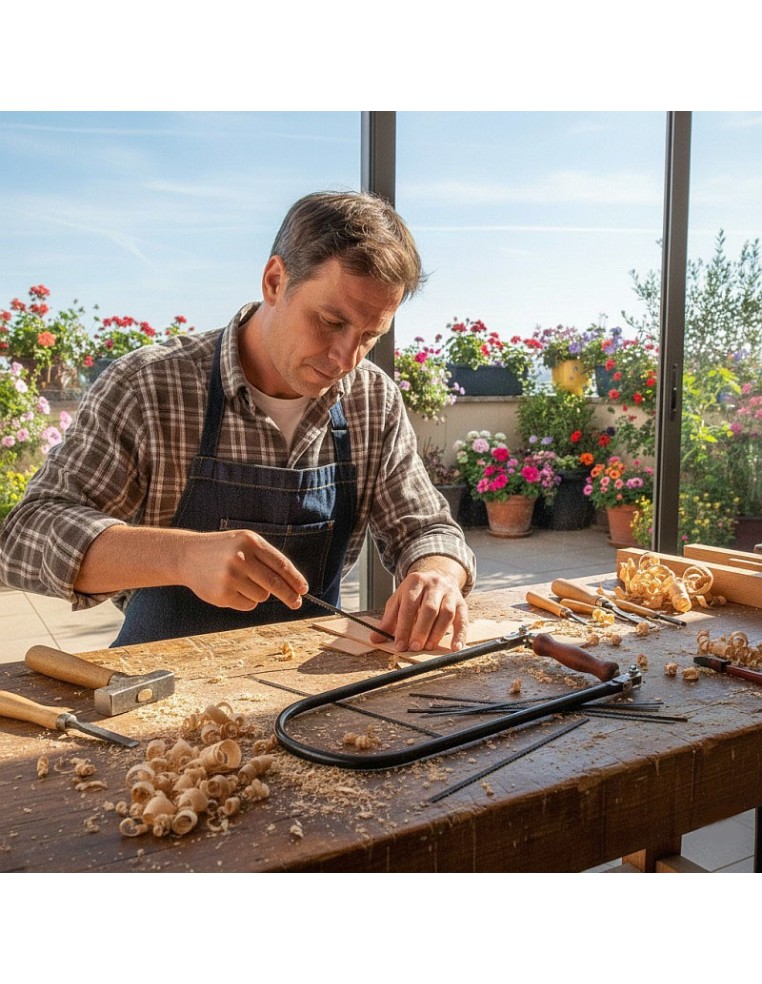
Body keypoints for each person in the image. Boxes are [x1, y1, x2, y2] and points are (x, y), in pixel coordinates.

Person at [0, 191, 475, 652]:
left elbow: (426, 528)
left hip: (301, 694)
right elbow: (24, 535)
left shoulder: (372, 400)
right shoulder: (150, 384)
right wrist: (182, 557)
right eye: (331, 322)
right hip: (159, 693)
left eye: (369, 336)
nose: (344, 358)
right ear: (274, 281)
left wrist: (437, 574)